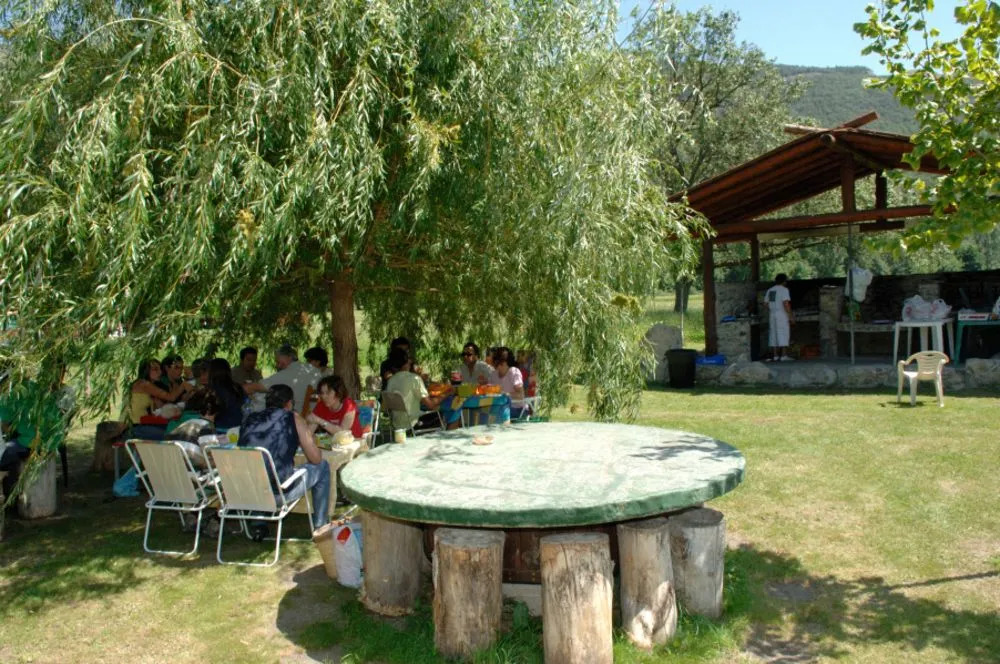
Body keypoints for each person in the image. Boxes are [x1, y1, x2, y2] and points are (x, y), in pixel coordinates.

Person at [239, 384, 330, 533]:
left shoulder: (250, 419)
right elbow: (316, 459)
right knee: (323, 466)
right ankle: (321, 525)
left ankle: (258, 522)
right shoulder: (293, 418)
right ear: (289, 403)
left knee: (261, 470)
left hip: (248, 490)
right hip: (279, 493)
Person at [384, 348, 449, 430]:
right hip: (414, 423)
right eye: (409, 358)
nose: (411, 361)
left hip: (396, 424)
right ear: (407, 361)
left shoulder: (391, 380)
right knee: (442, 413)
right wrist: (447, 393)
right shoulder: (414, 379)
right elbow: (431, 405)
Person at [127, 359, 194, 439]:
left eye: (160, 369)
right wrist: (183, 385)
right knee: (173, 435)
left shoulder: (149, 386)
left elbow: (161, 407)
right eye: (155, 369)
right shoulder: (143, 384)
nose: (160, 372)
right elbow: (171, 397)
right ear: (146, 371)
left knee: (178, 429)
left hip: (147, 423)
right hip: (137, 427)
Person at [260, 345, 321, 413]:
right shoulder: (315, 371)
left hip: (296, 415)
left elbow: (259, 386)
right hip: (315, 414)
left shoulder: (287, 373)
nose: (278, 365)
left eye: (278, 361)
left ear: (289, 357)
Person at [206, 358, 247, 431]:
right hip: (238, 428)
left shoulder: (214, 389)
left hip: (221, 429)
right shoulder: (237, 387)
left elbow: (209, 414)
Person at [764, 273, 794, 361]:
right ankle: (784, 355)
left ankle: (775, 355)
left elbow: (765, 304)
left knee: (773, 333)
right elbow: (786, 304)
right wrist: (791, 315)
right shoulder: (784, 290)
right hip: (782, 314)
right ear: (784, 281)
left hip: (772, 314)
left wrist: (772, 309)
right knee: (783, 333)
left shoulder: (770, 290)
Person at [489, 346, 526, 416]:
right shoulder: (493, 374)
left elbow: (520, 395)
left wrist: (504, 394)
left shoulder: (514, 372)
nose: (495, 365)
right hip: (499, 407)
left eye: (499, 363)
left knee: (495, 413)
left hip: (517, 409)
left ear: (505, 362)